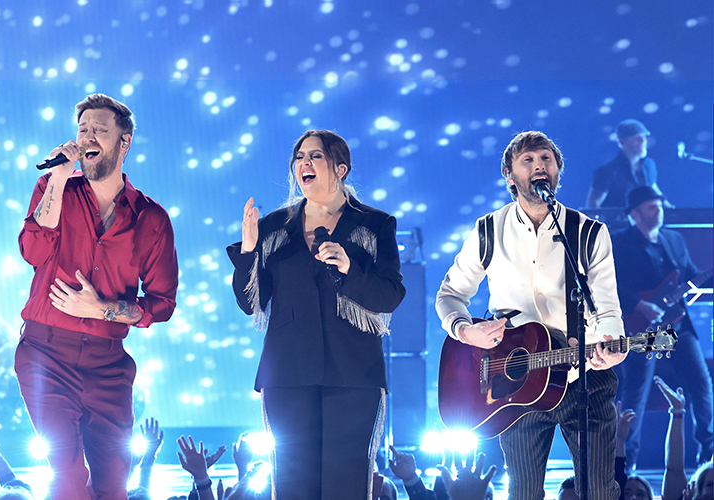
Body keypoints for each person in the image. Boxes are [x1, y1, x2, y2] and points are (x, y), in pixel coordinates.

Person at [436, 131, 627, 499]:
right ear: (510, 175)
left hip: (581, 378)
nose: (539, 165)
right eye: (528, 160)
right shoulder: (488, 231)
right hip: (516, 385)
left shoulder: (588, 233)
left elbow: (607, 308)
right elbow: (450, 295)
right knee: (523, 492)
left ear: (557, 171)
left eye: (546, 159)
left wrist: (611, 344)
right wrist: (465, 330)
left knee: (600, 492)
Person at [15, 93, 179, 500]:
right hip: (46, 354)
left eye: (99, 131)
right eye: (82, 129)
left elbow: (161, 303)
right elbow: (32, 252)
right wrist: (56, 177)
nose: (88, 136)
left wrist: (102, 309)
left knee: (112, 482)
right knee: (67, 476)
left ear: (124, 143)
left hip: (109, 363)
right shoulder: (54, 189)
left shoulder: (151, 219)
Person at [227, 129, 406, 499]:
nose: (304, 164)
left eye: (315, 156)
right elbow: (249, 303)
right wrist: (248, 251)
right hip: (287, 375)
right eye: (299, 158)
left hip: (354, 374)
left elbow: (390, 295)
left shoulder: (375, 225)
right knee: (292, 485)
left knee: (346, 485)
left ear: (340, 168)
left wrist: (348, 269)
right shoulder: (274, 227)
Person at [612, 186, 713, 472]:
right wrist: (641, 306)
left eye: (659, 205)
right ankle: (625, 463)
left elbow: (690, 273)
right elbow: (610, 285)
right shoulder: (621, 243)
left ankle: (709, 458)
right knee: (636, 393)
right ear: (635, 214)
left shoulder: (674, 239)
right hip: (643, 329)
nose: (658, 210)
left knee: (702, 385)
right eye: (651, 207)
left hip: (678, 325)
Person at [586, 119, 664, 208]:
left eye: (644, 137)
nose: (643, 141)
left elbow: (653, 189)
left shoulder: (649, 165)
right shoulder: (608, 171)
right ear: (621, 142)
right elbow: (593, 205)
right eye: (637, 138)